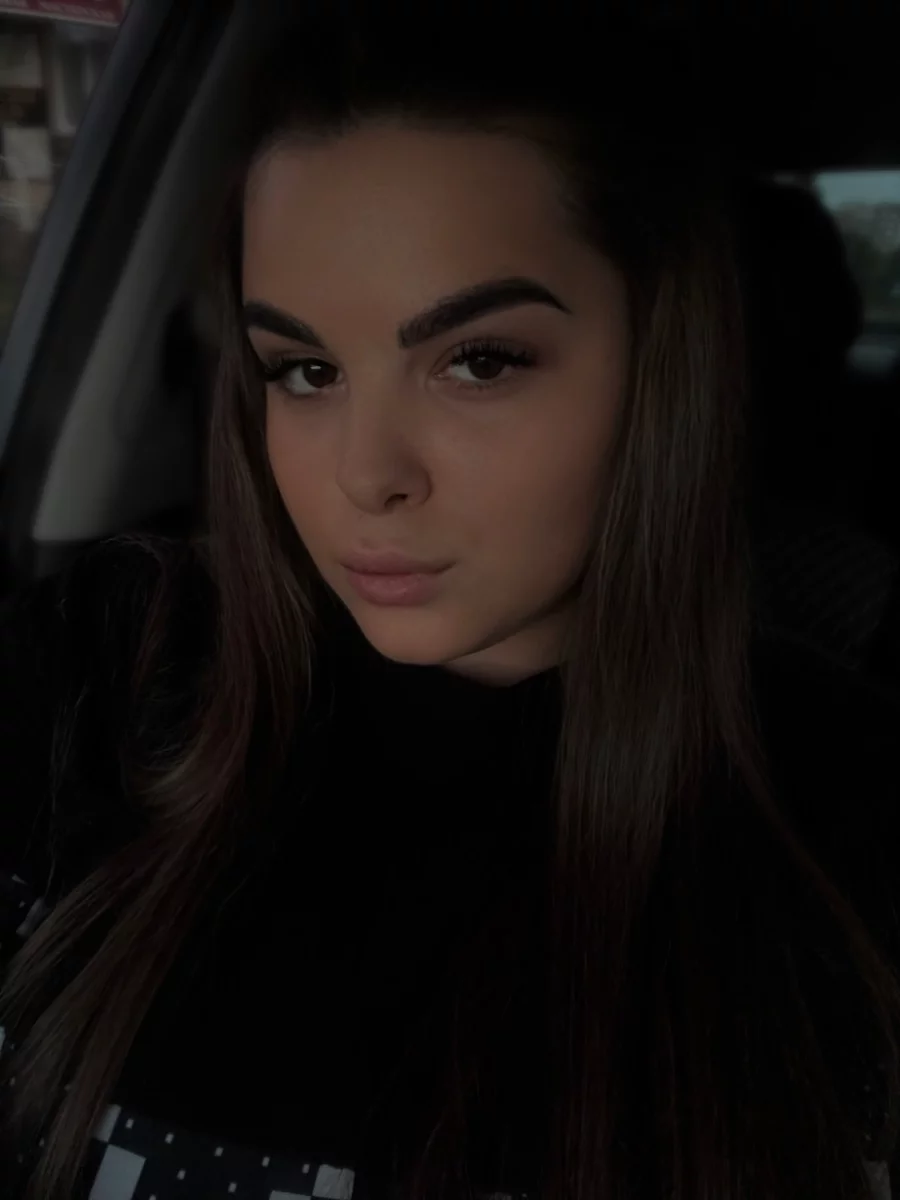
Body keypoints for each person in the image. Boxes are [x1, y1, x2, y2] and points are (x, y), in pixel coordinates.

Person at [2, 8, 899, 1199]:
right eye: (305, 371)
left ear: (663, 357)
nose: (366, 474)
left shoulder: (842, 812)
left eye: (477, 361)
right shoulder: (108, 664)